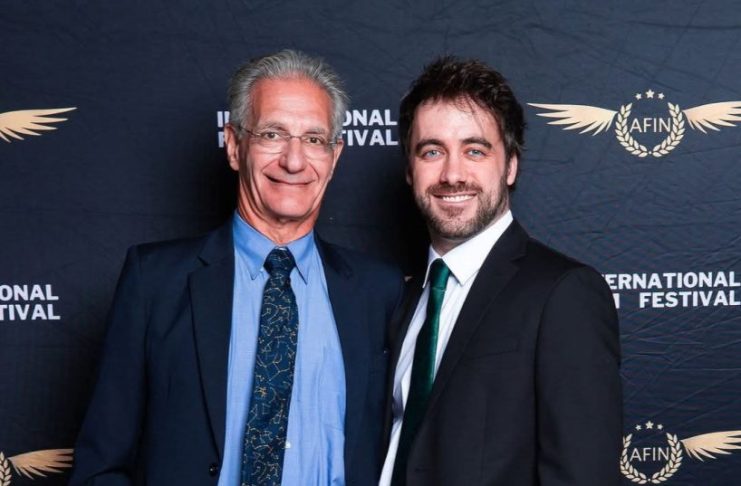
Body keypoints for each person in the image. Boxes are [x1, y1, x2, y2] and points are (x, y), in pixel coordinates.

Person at [70, 49, 403, 486]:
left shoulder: (380, 292)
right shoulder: (155, 281)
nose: (294, 160)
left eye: (314, 139)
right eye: (272, 134)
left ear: (334, 156)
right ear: (233, 145)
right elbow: (101, 466)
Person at [380, 57, 622, 486]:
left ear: (510, 165)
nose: (452, 174)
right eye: (432, 151)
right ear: (409, 170)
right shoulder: (404, 299)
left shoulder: (563, 294)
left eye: (475, 150)